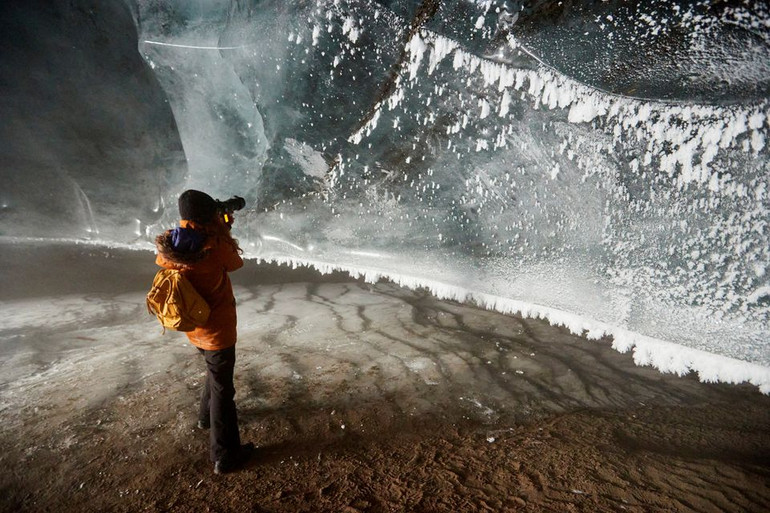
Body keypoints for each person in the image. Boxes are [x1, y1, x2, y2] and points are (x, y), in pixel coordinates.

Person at [154, 189, 253, 474]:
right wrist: (222, 229)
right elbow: (235, 263)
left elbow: (166, 261)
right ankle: (225, 455)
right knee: (224, 390)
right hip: (217, 329)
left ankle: (204, 419)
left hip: (193, 325)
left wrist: (214, 224)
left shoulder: (173, 241)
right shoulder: (214, 243)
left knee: (214, 372)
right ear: (208, 214)